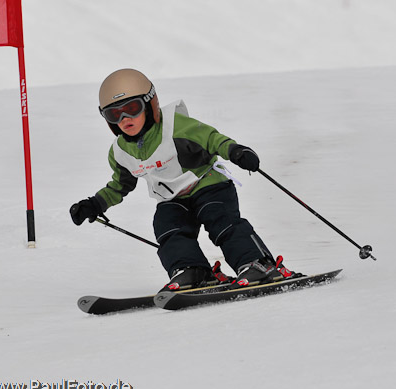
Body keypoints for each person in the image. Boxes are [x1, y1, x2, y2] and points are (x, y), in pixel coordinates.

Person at [70, 68, 300, 291]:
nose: (124, 118)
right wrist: (95, 204)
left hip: (208, 185)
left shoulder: (175, 127)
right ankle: (192, 270)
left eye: (132, 108)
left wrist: (236, 151)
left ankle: (258, 264)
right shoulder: (120, 152)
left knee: (221, 222)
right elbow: (120, 185)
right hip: (172, 199)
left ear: (150, 105)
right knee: (168, 229)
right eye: (114, 114)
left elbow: (211, 139)